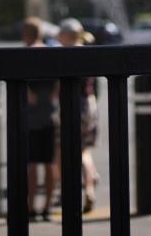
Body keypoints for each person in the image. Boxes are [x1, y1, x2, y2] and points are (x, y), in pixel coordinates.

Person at [57, 18, 100, 214]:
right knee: (85, 150)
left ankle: (71, 190)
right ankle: (90, 187)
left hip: (74, 104)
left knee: (71, 149)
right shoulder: (87, 51)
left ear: (67, 35)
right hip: (90, 103)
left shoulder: (66, 54)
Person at [21, 17, 59, 222]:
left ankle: (31, 206)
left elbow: (23, 80)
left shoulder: (26, 53)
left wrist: (29, 94)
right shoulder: (49, 51)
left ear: (26, 34)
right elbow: (58, 80)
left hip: (32, 117)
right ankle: (47, 207)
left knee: (32, 164)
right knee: (50, 163)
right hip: (49, 115)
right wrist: (52, 96)